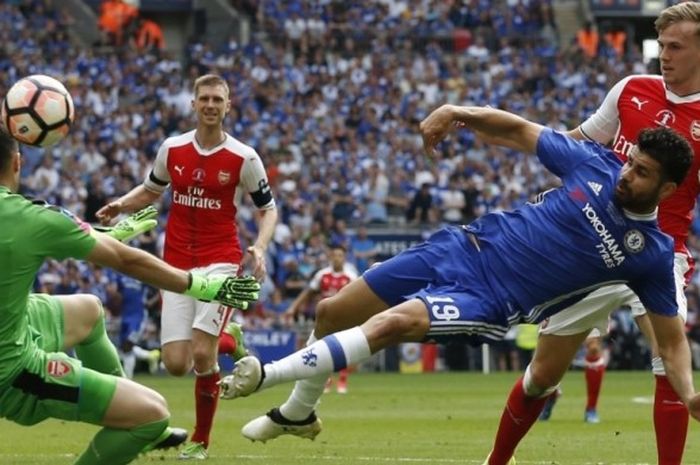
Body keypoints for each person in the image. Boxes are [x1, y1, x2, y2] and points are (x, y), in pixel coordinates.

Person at [221, 105, 700, 454]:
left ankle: (266, 374)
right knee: (331, 312)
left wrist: (689, 393)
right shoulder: (596, 165)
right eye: (631, 162)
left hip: (488, 298)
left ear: (668, 189)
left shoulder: (651, 254)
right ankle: (298, 412)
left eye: (642, 173)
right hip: (459, 246)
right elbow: (517, 129)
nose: (627, 175)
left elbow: (672, 343)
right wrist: (456, 111)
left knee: (393, 324)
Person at [487, 3, 700, 464]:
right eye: (661, 44)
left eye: (676, 46)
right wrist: (551, 194)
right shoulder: (630, 90)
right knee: (542, 375)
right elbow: (578, 143)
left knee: (668, 360)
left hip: (660, 257)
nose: (664, 54)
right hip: (594, 247)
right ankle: (496, 461)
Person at [0, 129, 260, 465]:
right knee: (152, 414)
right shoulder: (29, 217)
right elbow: (126, 259)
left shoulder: (31, 220)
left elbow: (65, 233)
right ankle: (136, 420)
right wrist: (202, 285)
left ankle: (124, 404)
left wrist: (111, 233)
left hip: (17, 321)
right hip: (11, 369)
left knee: (88, 310)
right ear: (18, 163)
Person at [96, 73, 277, 460]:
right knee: (177, 364)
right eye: (205, 98)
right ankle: (232, 338)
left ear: (228, 106)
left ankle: (201, 439)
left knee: (200, 355)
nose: (211, 105)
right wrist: (120, 205)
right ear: (193, 104)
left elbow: (268, 208)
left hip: (221, 264)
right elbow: (151, 189)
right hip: (175, 265)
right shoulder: (172, 148)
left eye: (218, 99)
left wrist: (259, 247)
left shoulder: (244, 157)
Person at [285, 244, 358, 394]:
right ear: (330, 257)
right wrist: (293, 307)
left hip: (344, 317)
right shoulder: (322, 275)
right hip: (325, 318)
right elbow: (308, 292)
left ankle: (343, 380)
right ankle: (326, 380)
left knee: (345, 348)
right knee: (323, 349)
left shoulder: (351, 276)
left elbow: (359, 295)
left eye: (340, 255)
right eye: (335, 255)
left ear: (344, 258)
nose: (337, 258)